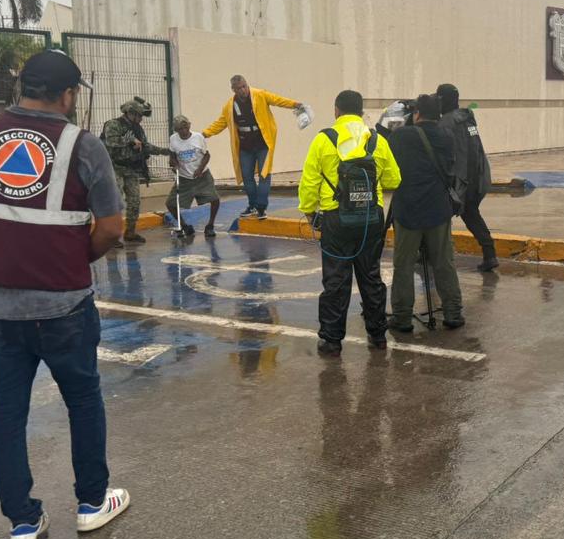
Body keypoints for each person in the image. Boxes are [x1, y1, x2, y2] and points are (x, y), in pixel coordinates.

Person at [0, 49, 131, 539]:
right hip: (64, 304)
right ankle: (90, 505)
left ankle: (22, 523)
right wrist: (76, 258)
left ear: (22, 88)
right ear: (67, 94)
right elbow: (112, 226)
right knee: (83, 400)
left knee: (7, 411)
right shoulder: (81, 144)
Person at [299, 90, 401, 356]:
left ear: (336, 111)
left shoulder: (324, 140)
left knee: (336, 280)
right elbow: (394, 180)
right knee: (371, 276)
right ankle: (378, 335)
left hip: (336, 220)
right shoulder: (377, 140)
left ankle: (332, 340)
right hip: (370, 219)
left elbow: (309, 183)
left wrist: (310, 214)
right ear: (361, 111)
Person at [385, 94, 464, 332]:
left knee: (404, 265)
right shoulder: (447, 135)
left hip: (408, 210)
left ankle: (401, 317)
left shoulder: (401, 136)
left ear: (416, 113)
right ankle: (453, 312)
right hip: (438, 209)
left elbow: (391, 149)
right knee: (444, 262)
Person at [204, 75, 305, 219]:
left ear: (247, 84)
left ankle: (261, 208)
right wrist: (205, 134)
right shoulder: (229, 106)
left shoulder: (260, 95)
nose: (243, 90)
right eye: (239, 88)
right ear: (233, 90)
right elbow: (220, 123)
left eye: (244, 86)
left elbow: (278, 100)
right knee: (247, 177)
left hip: (263, 143)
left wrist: (295, 104)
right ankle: (252, 205)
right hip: (245, 146)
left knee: (264, 174)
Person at [436, 83, 497, 272]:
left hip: (459, 180)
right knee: (471, 214)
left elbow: (447, 153)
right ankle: (490, 253)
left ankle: (437, 257)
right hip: (475, 177)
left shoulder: (447, 122)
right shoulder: (467, 118)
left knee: (442, 217)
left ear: (442, 100)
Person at [100, 98, 168, 245]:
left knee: (134, 202)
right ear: (130, 113)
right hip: (114, 168)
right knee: (115, 203)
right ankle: (111, 236)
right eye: (139, 115)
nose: (141, 119)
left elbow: (145, 145)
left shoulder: (137, 128)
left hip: (130, 169)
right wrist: (130, 141)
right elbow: (111, 141)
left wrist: (164, 151)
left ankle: (130, 232)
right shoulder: (113, 124)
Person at [168, 114, 220, 238]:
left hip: (202, 176)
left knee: (215, 199)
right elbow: (172, 155)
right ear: (176, 130)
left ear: (189, 126)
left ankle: (210, 226)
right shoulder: (173, 139)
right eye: (180, 129)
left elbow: (207, 155)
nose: (183, 131)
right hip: (184, 177)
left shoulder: (198, 137)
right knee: (170, 203)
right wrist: (174, 164)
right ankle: (185, 226)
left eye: (185, 127)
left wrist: (200, 169)